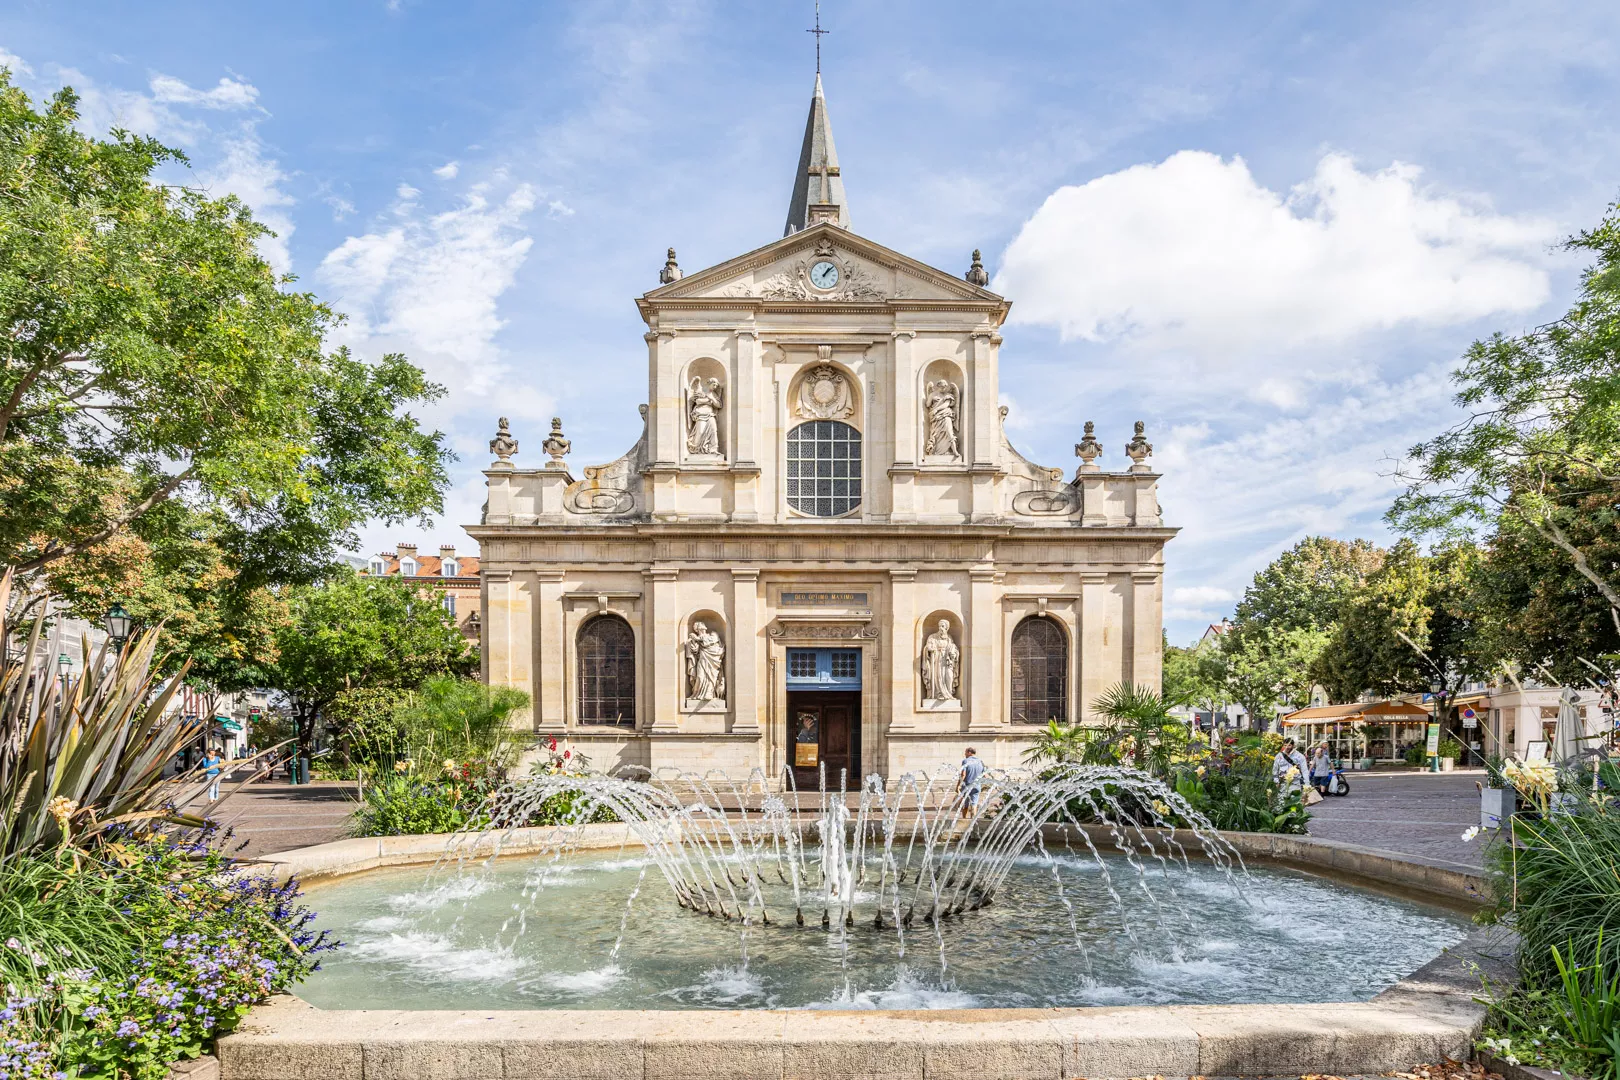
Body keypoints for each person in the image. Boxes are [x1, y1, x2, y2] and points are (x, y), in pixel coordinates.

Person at [957, 747, 986, 819]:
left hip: (967, 786)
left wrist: (958, 786)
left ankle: (964, 820)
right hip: (977, 786)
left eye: (965, 752)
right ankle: (972, 822)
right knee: (974, 805)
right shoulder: (980, 761)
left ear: (969, 752)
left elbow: (963, 775)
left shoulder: (965, 761)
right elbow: (985, 775)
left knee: (965, 804)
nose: (965, 754)